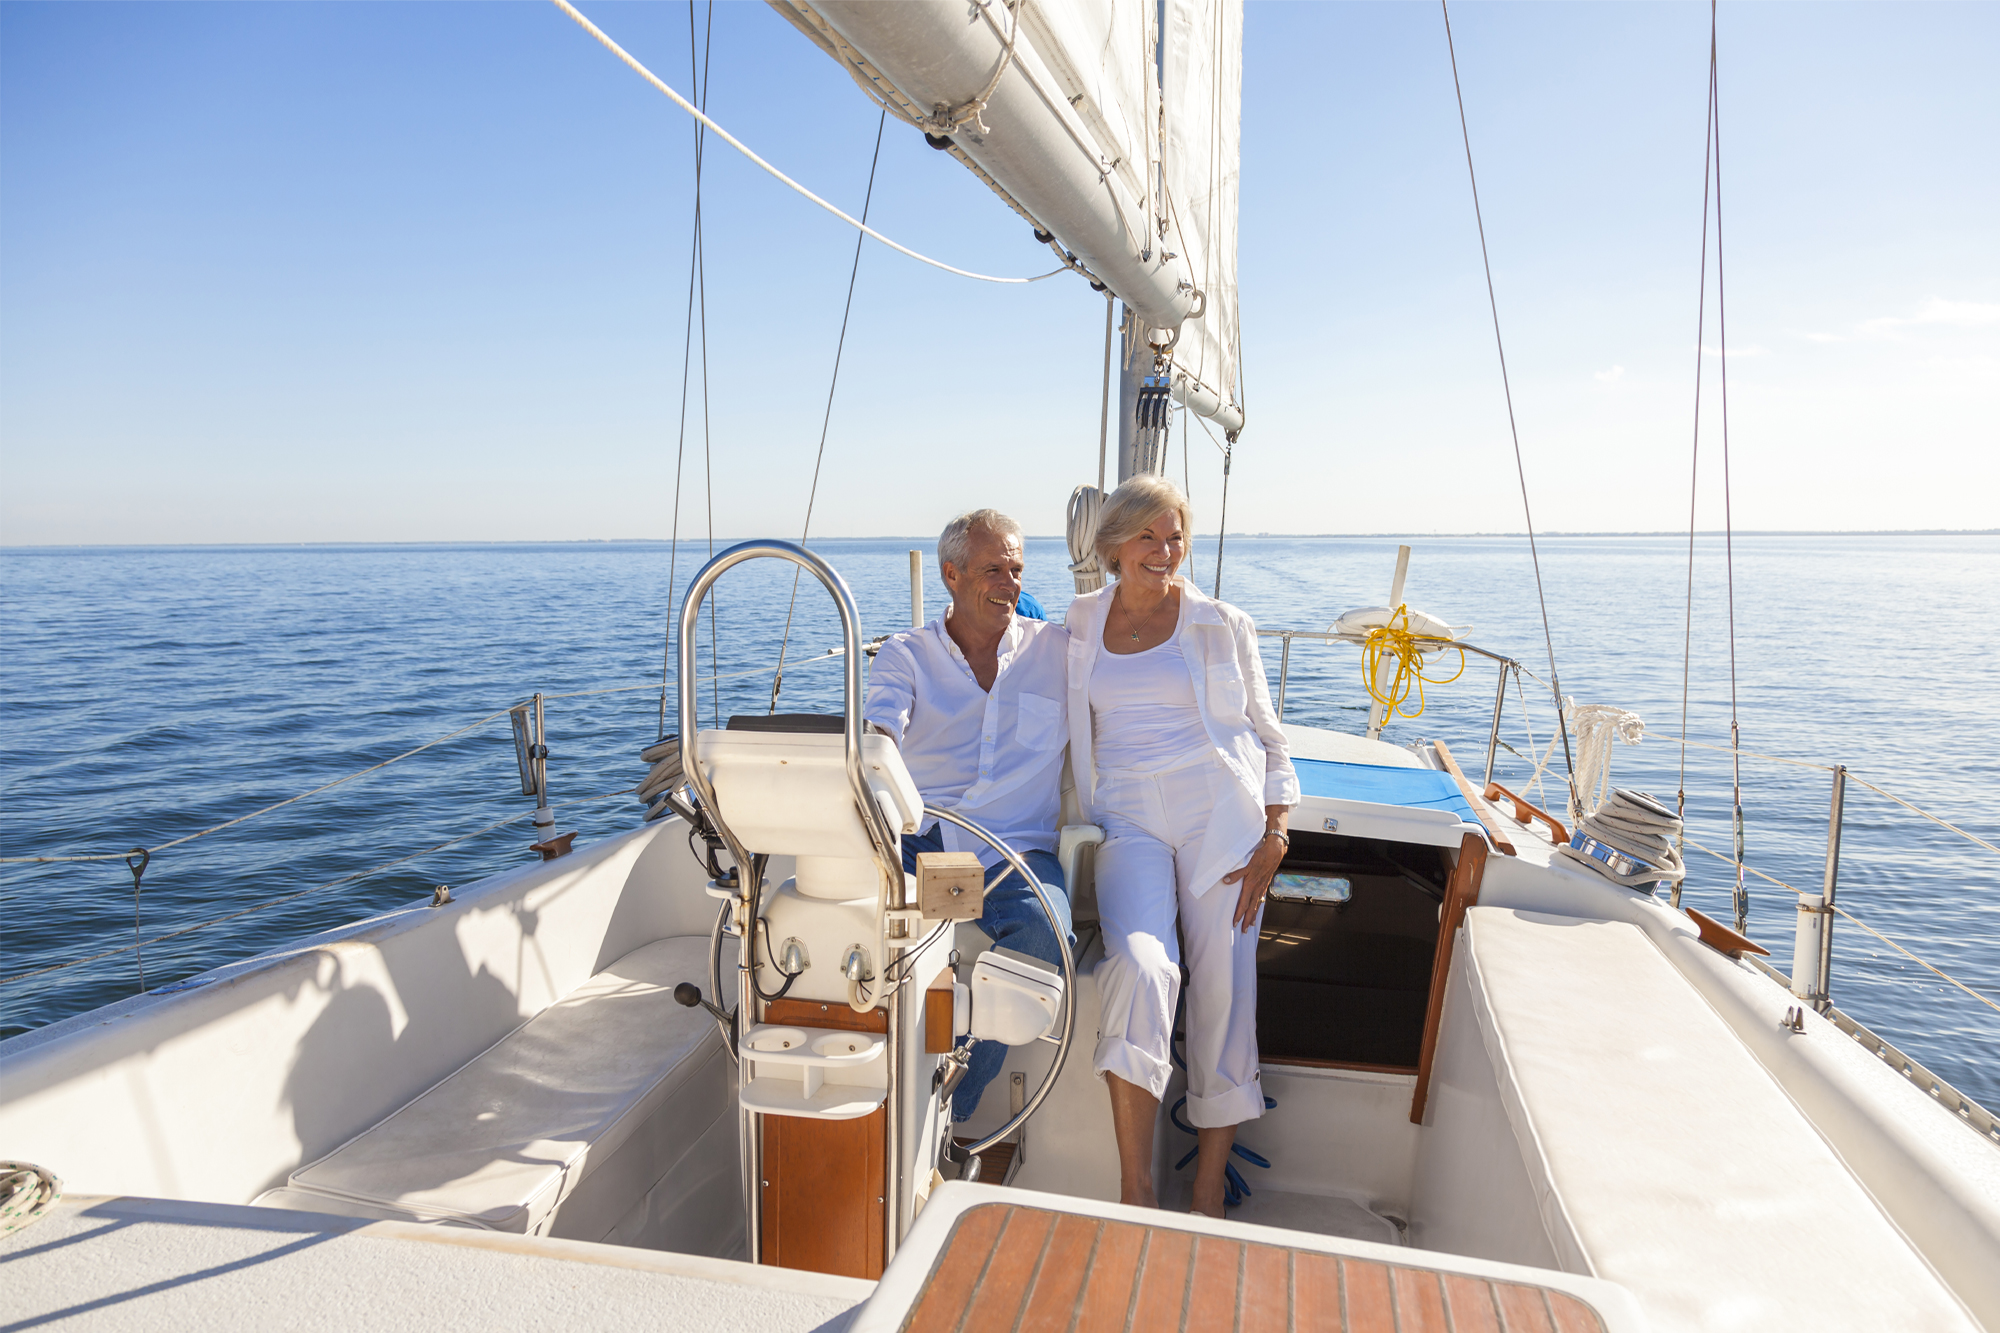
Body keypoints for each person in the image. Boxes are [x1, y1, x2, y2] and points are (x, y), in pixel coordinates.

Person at [1063, 474, 1297, 1218]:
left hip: (1221, 819)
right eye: (1148, 537)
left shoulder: (1223, 622)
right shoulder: (1076, 624)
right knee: (1140, 963)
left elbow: (1269, 736)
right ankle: (1136, 1185)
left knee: (1225, 988)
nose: (1165, 552)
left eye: (1175, 537)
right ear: (1112, 546)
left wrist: (1277, 830)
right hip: (1127, 816)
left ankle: (1204, 1189)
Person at [864, 508, 1075, 1125]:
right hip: (921, 842)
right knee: (829, 917)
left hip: (1016, 852)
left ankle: (944, 1110)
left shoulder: (1056, 650)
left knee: (1045, 940)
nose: (1008, 584)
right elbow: (880, 730)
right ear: (951, 575)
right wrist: (877, 751)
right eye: (992, 570)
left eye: (1016, 570)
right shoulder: (906, 656)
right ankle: (860, 1087)